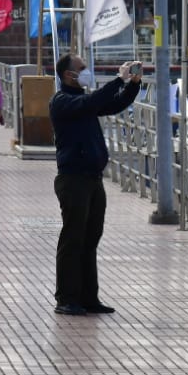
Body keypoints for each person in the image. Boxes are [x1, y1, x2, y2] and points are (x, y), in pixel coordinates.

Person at [49, 56, 143, 316]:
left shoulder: (83, 102)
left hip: (92, 178)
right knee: (73, 238)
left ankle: (89, 297)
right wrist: (118, 79)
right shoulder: (63, 101)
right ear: (69, 75)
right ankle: (66, 298)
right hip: (73, 179)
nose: (86, 72)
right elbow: (92, 102)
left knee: (91, 238)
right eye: (82, 69)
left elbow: (113, 104)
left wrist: (133, 85)